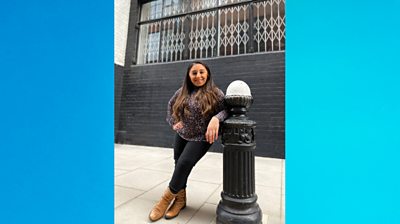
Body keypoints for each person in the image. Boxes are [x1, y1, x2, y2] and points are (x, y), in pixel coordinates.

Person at [148, 61, 228, 222]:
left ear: (207, 74)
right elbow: (170, 106)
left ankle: (164, 201)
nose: (198, 76)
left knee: (184, 163)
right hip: (182, 134)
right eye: (194, 73)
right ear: (189, 76)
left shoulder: (215, 92)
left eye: (201, 72)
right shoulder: (182, 92)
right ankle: (180, 201)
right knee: (179, 165)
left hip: (201, 137)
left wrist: (216, 118)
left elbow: (227, 110)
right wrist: (174, 122)